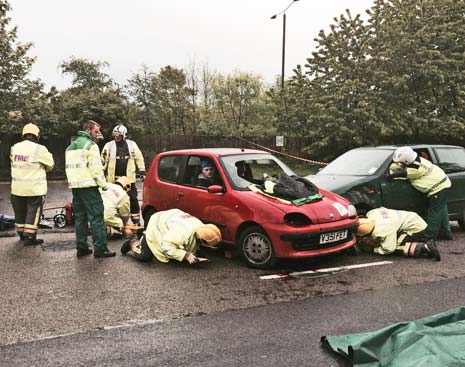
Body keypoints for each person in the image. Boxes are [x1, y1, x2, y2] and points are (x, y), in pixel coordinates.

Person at [65, 120, 115, 258]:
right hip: (89, 187)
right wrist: (103, 185)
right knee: (97, 217)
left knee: (80, 218)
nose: (98, 134)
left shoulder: (70, 147)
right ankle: (100, 249)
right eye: (96, 131)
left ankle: (82, 247)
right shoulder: (91, 146)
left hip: (76, 187)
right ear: (88, 130)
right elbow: (95, 169)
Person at [389, 146, 452, 241]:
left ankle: (429, 237)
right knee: (441, 210)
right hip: (444, 183)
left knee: (434, 213)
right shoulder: (416, 160)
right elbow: (399, 167)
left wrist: (390, 174)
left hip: (438, 188)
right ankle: (446, 233)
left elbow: (397, 175)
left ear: (406, 161)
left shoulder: (416, 170)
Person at [121, 208, 221, 264]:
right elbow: (166, 247)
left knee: (183, 252)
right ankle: (134, 243)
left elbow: (192, 243)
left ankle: (142, 235)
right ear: (201, 239)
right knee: (145, 256)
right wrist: (185, 255)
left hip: (168, 220)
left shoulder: (200, 226)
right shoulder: (182, 233)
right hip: (156, 225)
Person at [10, 123, 54, 245]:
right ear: (37, 135)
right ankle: (29, 237)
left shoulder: (14, 148)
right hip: (34, 189)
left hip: (17, 189)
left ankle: (21, 234)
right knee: (33, 212)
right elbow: (50, 165)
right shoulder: (40, 149)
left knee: (20, 212)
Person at [356, 207, 440, 261]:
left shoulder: (382, 230)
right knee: (391, 238)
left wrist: (374, 250)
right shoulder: (372, 214)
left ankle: (424, 248)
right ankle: (422, 241)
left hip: (415, 228)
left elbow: (388, 249)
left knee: (395, 246)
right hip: (412, 218)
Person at [101, 124, 145, 225]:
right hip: (113, 181)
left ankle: (136, 221)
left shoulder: (132, 145)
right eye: (115, 135)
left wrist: (142, 171)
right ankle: (117, 222)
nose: (117, 137)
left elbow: (139, 158)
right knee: (113, 200)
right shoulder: (108, 146)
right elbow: (103, 161)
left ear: (124, 135)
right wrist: (100, 174)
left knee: (133, 199)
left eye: (119, 135)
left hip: (128, 180)